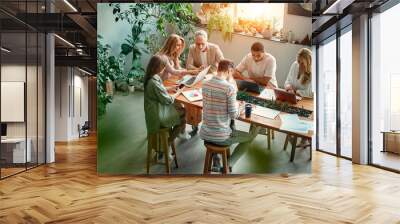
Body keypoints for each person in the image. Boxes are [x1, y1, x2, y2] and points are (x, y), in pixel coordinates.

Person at [200, 59, 260, 172]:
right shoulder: (229, 88)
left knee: (227, 125)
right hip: (221, 136)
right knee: (251, 136)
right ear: (229, 71)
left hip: (205, 133)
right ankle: (228, 165)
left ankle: (220, 161)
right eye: (231, 73)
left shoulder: (205, 83)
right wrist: (242, 107)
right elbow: (234, 115)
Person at [144, 55, 187, 160]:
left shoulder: (151, 77)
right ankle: (167, 144)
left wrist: (172, 88)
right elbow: (167, 100)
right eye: (163, 67)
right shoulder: (154, 82)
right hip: (157, 115)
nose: (164, 69)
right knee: (184, 115)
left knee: (180, 112)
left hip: (154, 110)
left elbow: (160, 89)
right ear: (159, 67)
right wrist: (179, 93)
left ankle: (166, 144)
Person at [284, 48, 313, 148]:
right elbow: (287, 81)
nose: (299, 64)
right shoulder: (294, 65)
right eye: (298, 61)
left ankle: (303, 136)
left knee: (301, 115)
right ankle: (294, 132)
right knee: (282, 109)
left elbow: (311, 93)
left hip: (306, 102)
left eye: (302, 63)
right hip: (293, 98)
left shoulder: (313, 71)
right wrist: (288, 88)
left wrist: (296, 92)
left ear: (308, 63)